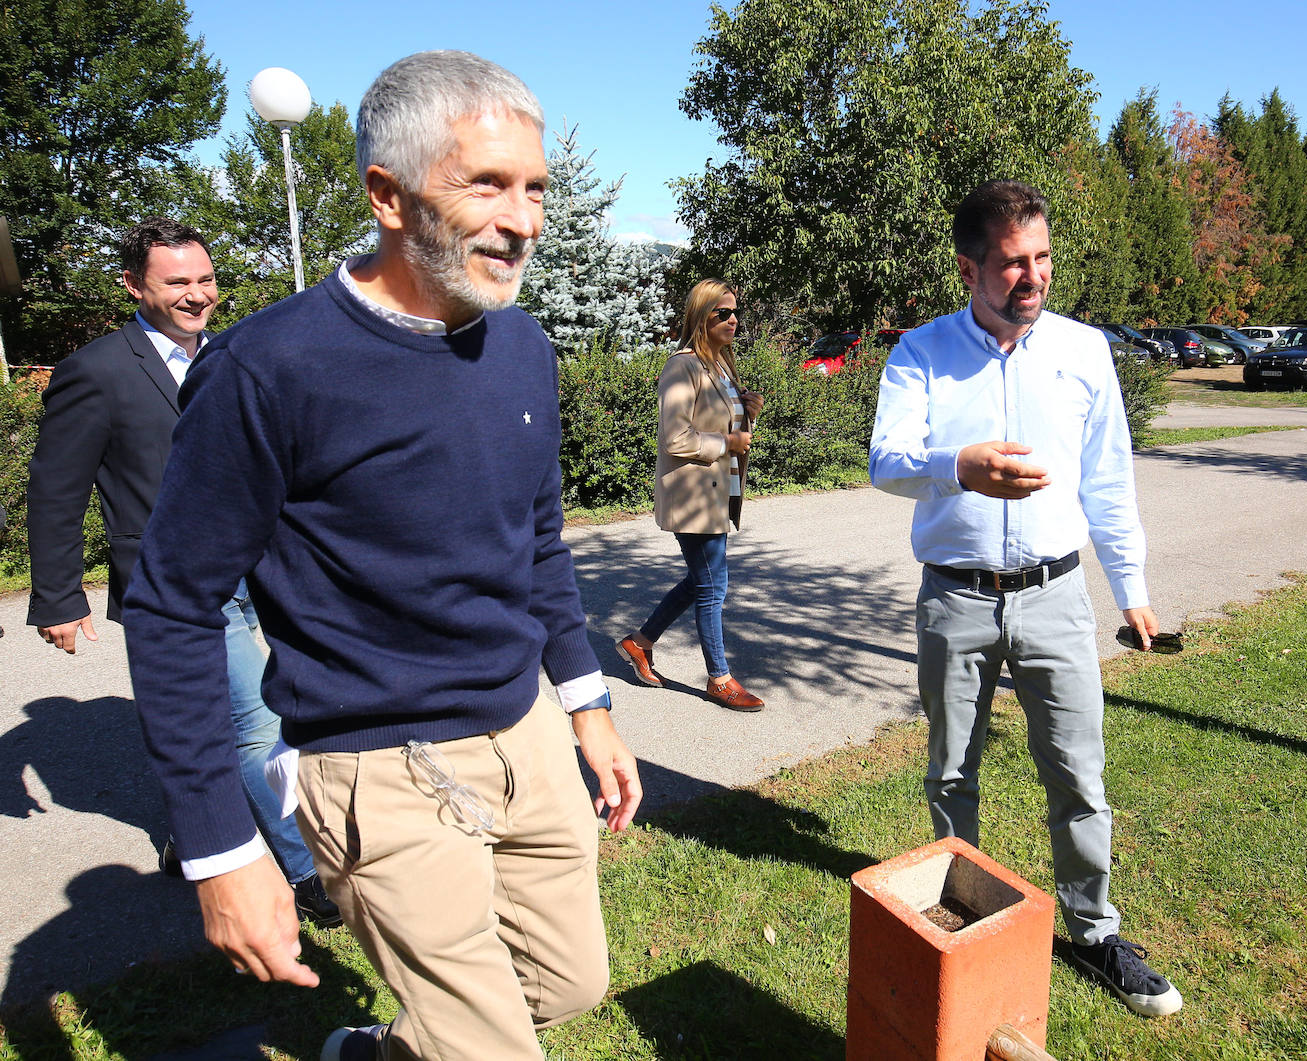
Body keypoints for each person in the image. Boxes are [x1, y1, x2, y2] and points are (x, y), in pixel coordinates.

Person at [120, 51, 642, 1061]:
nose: (524, 218)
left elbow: (537, 541)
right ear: (386, 196)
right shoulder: (269, 368)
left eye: (534, 187)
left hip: (521, 729)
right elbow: (174, 603)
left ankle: (371, 1051)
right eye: (486, 183)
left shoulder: (523, 345)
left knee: (571, 982)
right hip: (378, 765)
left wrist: (587, 701)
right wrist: (223, 850)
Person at [868, 180, 1183, 1018]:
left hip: (1055, 596)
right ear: (969, 267)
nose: (1031, 276)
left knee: (1079, 773)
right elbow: (886, 457)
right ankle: (955, 916)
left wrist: (1134, 588)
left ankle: (1094, 929)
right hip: (956, 600)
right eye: (1011, 262)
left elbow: (1110, 480)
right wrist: (956, 466)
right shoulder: (922, 352)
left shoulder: (1083, 352)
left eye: (1041, 257)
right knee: (950, 767)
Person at [24, 217, 337, 926]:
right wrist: (57, 596)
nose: (197, 296)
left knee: (250, 710)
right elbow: (56, 488)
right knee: (256, 719)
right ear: (134, 285)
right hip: (177, 584)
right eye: (177, 283)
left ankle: (191, 837)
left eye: (204, 280)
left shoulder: (234, 355)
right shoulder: (97, 371)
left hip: (264, 567)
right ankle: (308, 874)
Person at [617, 279, 766, 711]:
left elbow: (727, 429)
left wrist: (746, 413)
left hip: (716, 495)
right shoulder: (681, 366)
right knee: (713, 587)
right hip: (693, 497)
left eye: (735, 312)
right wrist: (728, 443)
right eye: (722, 312)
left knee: (701, 581)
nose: (733, 319)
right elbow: (676, 438)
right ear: (701, 316)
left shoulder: (720, 364)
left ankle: (639, 643)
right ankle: (719, 679)